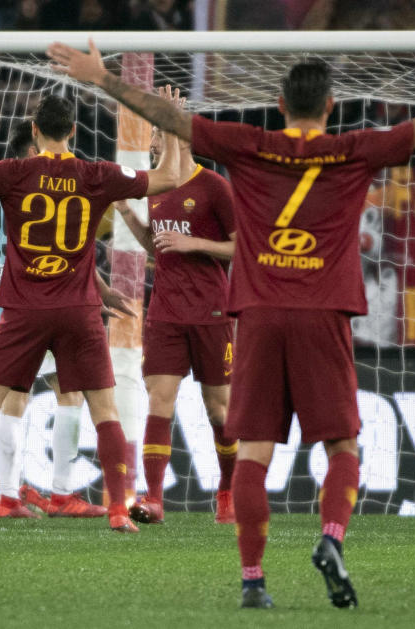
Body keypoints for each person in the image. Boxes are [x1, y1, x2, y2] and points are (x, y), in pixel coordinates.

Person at [48, 38, 415, 607]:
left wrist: (102, 78)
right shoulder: (355, 149)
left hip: (259, 315)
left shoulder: (249, 144)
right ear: (332, 106)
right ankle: (332, 538)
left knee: (256, 450)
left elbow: (173, 119)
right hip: (323, 315)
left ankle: (252, 581)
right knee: (341, 445)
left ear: (281, 103)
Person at [0, 92, 179, 533]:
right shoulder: (98, 174)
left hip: (23, 309)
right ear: (73, 130)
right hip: (78, 309)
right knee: (103, 409)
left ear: (34, 130)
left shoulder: (10, 173)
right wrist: (168, 129)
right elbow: (166, 178)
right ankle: (116, 513)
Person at [113, 118, 238, 526]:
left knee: (220, 411)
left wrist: (195, 243)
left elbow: (242, 248)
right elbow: (159, 246)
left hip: (212, 311)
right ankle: (153, 499)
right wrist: (127, 216)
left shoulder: (215, 187)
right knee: (159, 401)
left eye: (159, 135)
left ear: (180, 140)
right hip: (166, 309)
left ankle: (228, 492)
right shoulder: (156, 187)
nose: (151, 143)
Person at [0, 119, 111, 520]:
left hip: (11, 300)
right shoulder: (29, 188)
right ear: (32, 152)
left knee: (16, 397)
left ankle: (9, 497)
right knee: (67, 393)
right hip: (41, 297)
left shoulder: (2, 190)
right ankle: (57, 494)